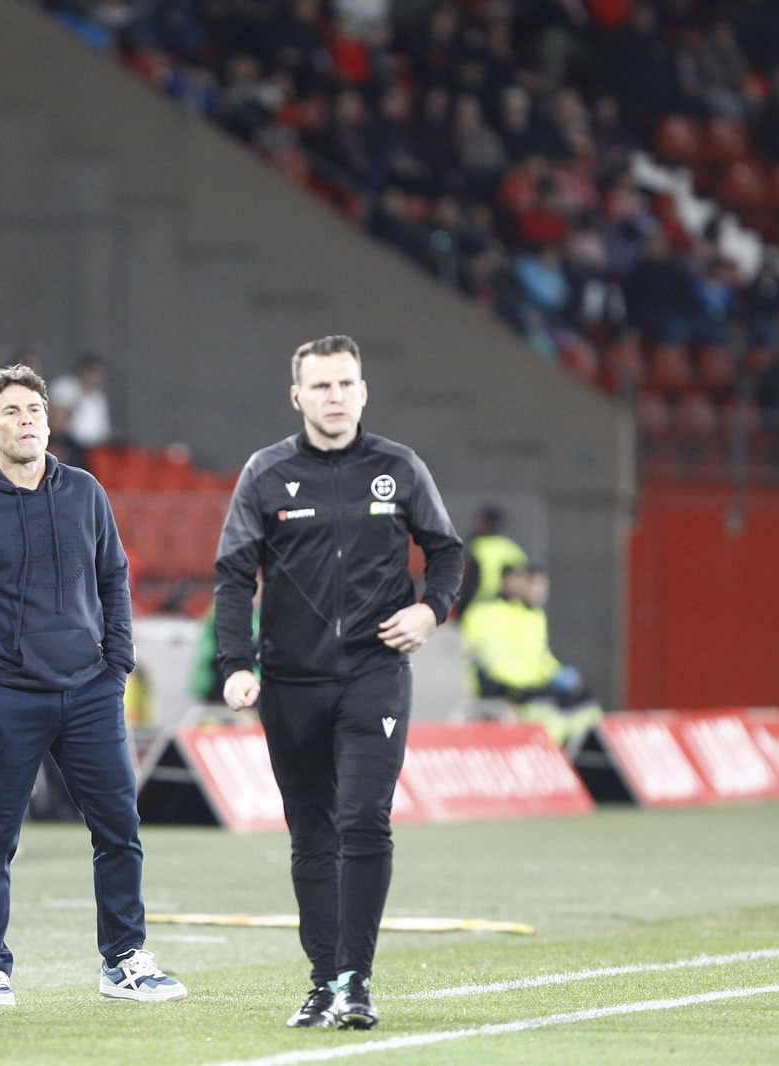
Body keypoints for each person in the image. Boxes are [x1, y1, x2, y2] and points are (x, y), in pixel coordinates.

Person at [213, 335, 463, 1030]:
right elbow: (233, 576)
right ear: (297, 396)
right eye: (321, 386)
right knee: (311, 834)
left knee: (363, 819)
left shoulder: (399, 468)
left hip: (374, 674)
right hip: (290, 682)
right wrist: (235, 665)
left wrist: (430, 610)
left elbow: (447, 552)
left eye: (346, 384)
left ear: (364, 392)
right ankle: (324, 981)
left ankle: (355, 981)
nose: (335, 397)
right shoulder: (265, 472)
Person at [0, 364, 185, 1009]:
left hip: (91, 692)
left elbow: (114, 577)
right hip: (9, 698)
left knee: (119, 829)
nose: (27, 420)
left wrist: (116, 666)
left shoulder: (85, 492)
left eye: (34, 410)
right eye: (11, 412)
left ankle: (123, 961)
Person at [461, 566, 602, 747]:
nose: (540, 592)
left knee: (584, 700)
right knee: (549, 708)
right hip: (503, 685)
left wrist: (556, 674)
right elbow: (493, 659)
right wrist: (533, 682)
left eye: (544, 587)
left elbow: (538, 655)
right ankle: (547, 752)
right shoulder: (486, 612)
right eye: (534, 585)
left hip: (530, 682)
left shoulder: (531, 614)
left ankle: (572, 751)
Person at [455, 505, 528, 623]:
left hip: (479, 606)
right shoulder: (512, 549)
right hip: (512, 609)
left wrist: (462, 608)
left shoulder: (476, 546)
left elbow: (468, 582)